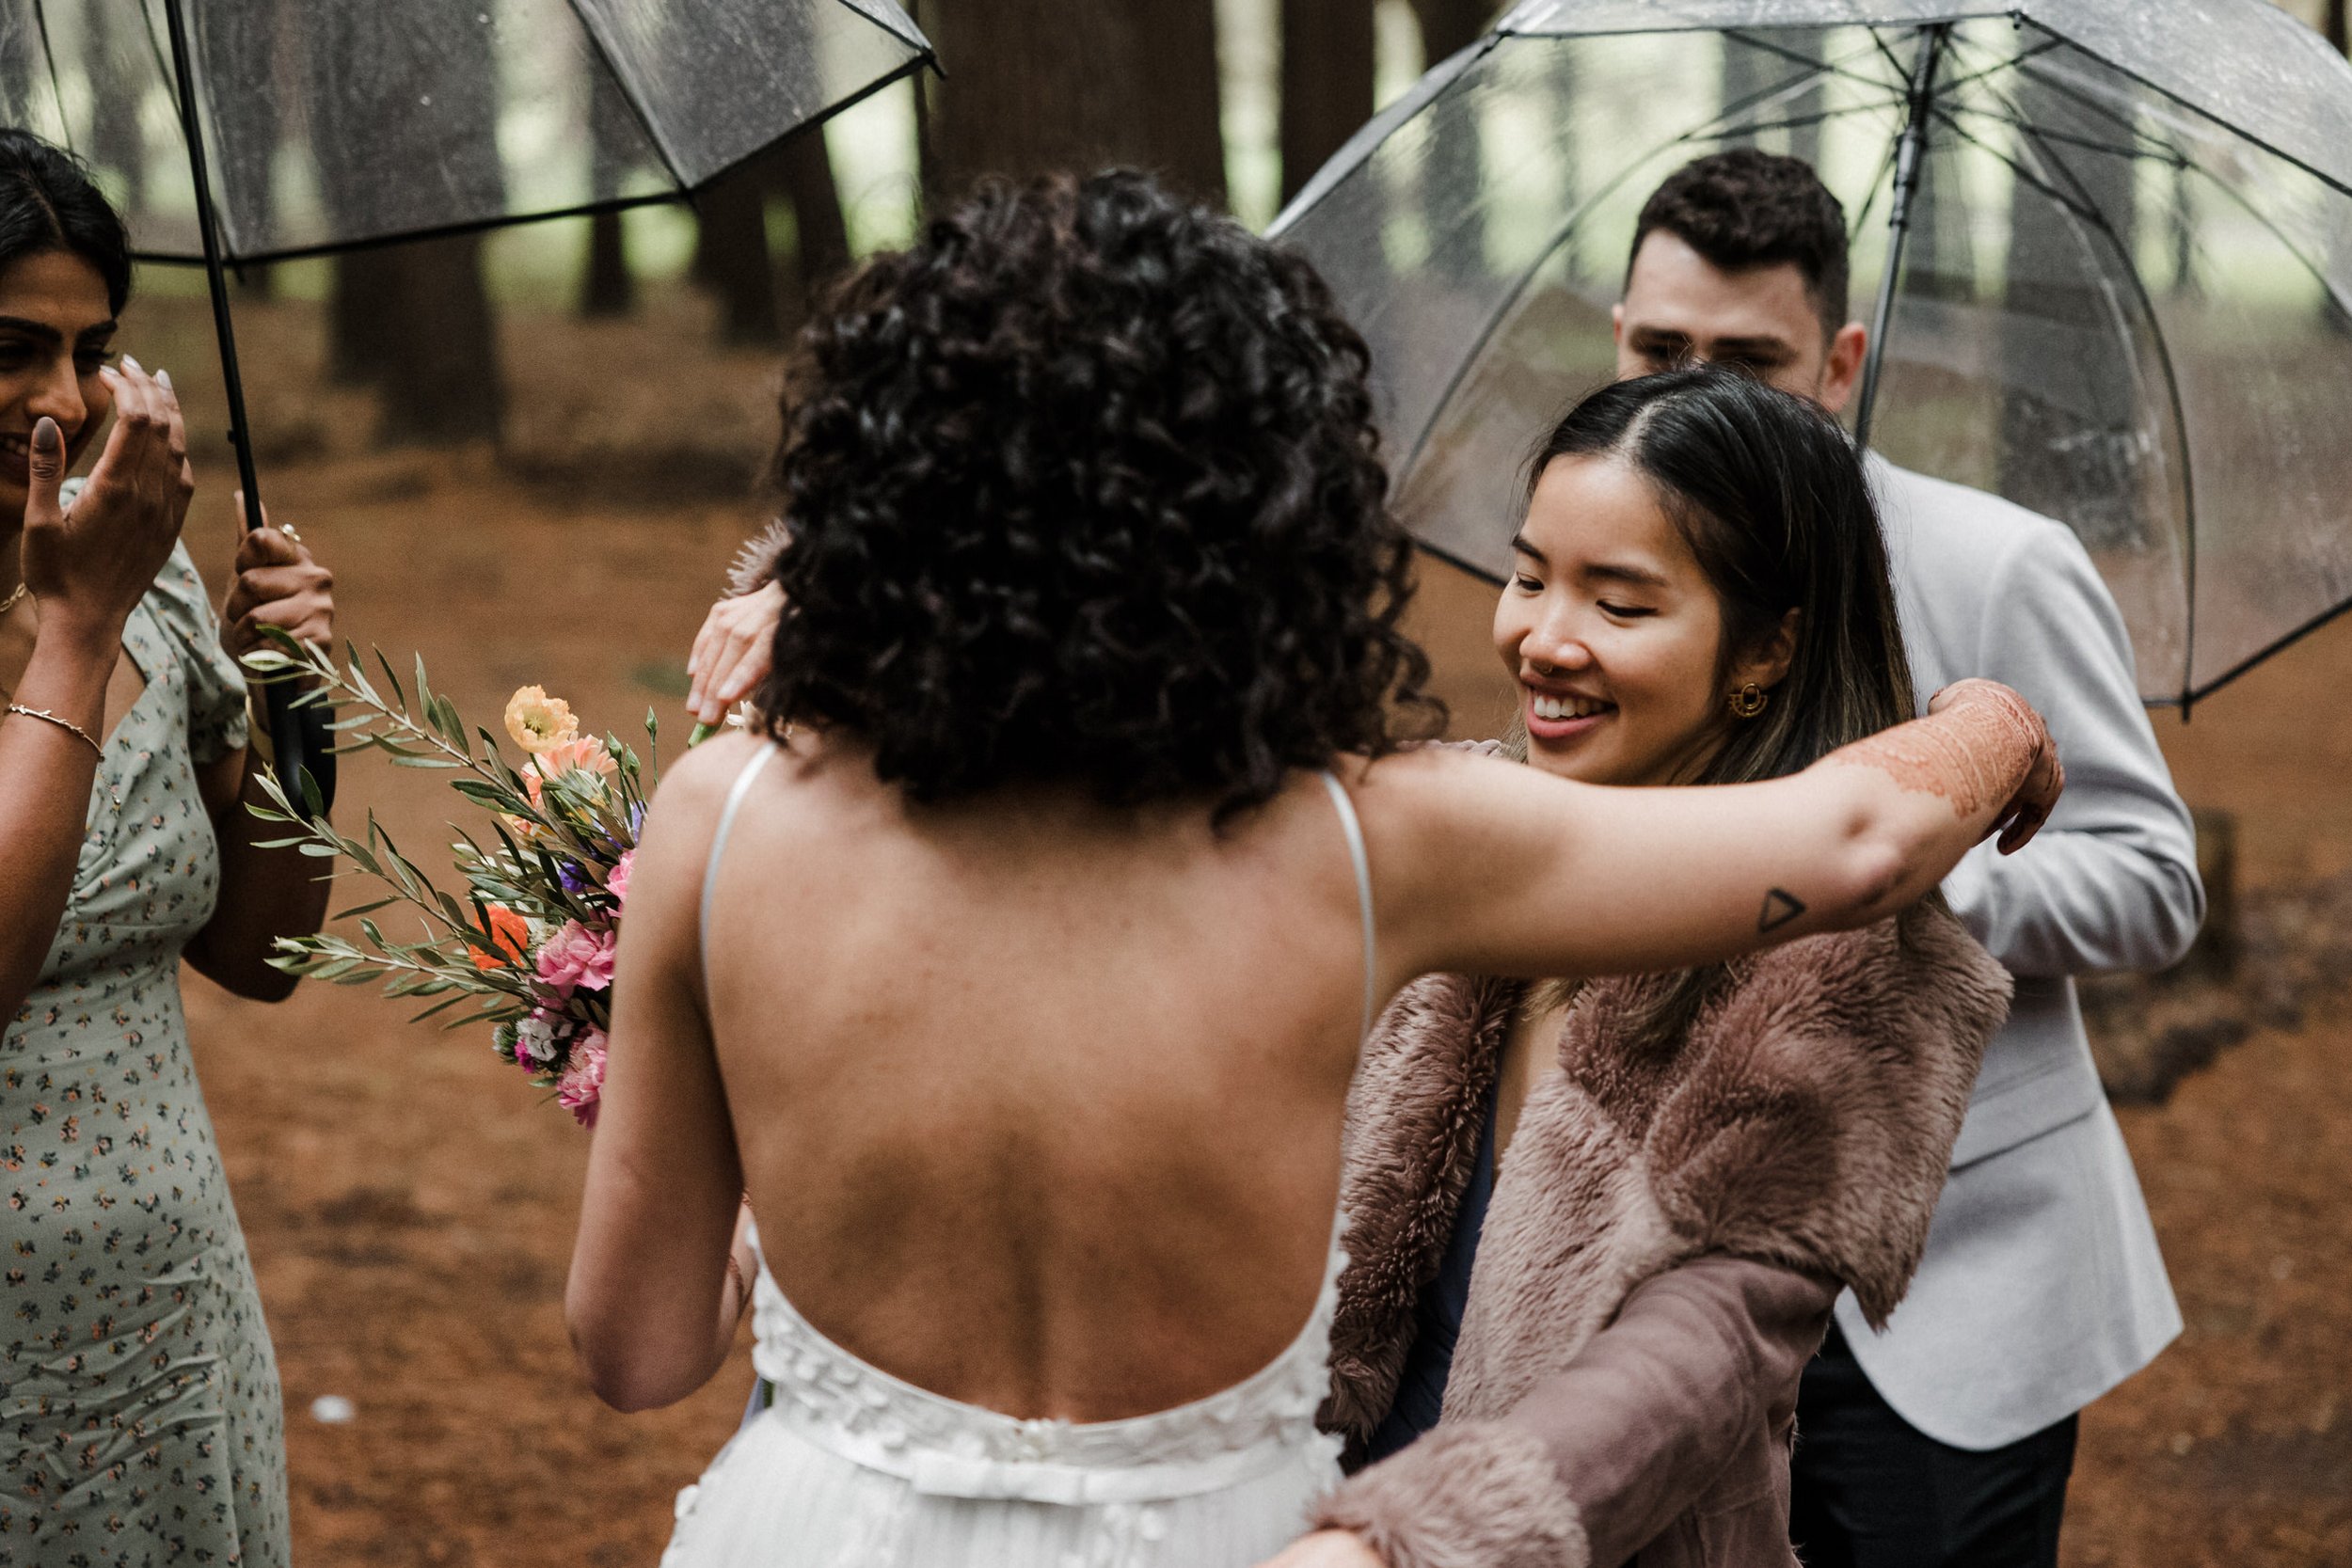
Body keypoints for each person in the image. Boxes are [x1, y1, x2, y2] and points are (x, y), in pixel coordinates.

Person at [574, 170, 2061, 1568]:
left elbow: (638, 1347)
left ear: (877, 498)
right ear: (1271, 515)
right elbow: (1861, 839)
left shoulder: (717, 816)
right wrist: (1991, 720)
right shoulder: (1361, 841)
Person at [1248, 365, 2012, 1568]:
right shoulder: (1455, 833)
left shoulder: (1841, 962)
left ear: (1766, 650)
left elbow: (1702, 1356)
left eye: (1619, 603)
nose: (1543, 639)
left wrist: (1405, 1546)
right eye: (1527, 574)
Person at [1611, 150, 2202, 1568]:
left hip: (1949, 1290)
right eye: (1655, 345)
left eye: (1745, 356)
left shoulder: (1999, 560)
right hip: (1675, 1274)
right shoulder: (1600, 579)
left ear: (1839, 361)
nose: (1690, 386)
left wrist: (1923, 870)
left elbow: (2156, 877)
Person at [0, 132, 336, 1566]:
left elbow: (261, 951)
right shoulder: (103, 590)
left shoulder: (146, 563)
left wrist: (303, 710)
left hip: (173, 1319)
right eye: (13, 346)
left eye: (91, 348)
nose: (64, 399)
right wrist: (72, 629)